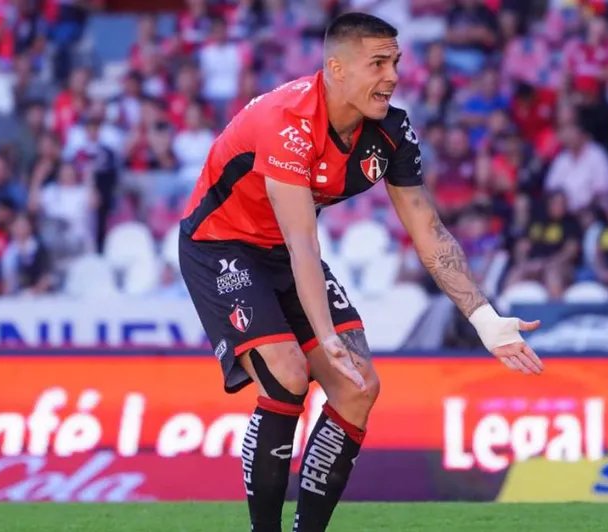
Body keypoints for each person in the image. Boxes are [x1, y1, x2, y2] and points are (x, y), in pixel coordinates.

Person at [178, 13, 543, 532]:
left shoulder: (391, 129)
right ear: (337, 69)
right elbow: (304, 244)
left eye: (395, 62)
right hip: (221, 245)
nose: (392, 76)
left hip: (284, 250)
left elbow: (427, 228)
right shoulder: (288, 121)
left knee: (358, 388)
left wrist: (483, 317)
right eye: (378, 63)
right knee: (288, 377)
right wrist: (325, 336)